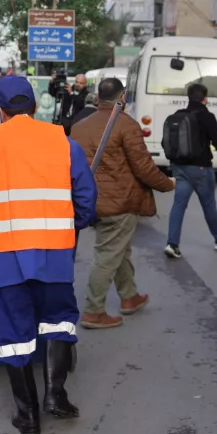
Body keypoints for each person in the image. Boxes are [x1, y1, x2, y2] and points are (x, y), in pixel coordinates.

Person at [0, 76, 97, 434]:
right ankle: (56, 395)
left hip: (4, 256)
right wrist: (71, 227)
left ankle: (29, 415)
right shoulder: (62, 143)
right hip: (54, 254)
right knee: (59, 321)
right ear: (35, 108)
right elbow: (84, 198)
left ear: (1, 112)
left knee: (14, 333)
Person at [71, 78, 176, 329]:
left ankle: (129, 296)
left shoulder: (79, 126)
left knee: (118, 249)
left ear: (97, 97)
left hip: (90, 200)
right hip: (119, 203)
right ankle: (93, 311)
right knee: (107, 254)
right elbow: (144, 167)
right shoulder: (126, 125)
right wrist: (167, 184)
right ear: (122, 98)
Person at [163, 83, 217, 258]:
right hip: (201, 168)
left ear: (188, 98)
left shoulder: (178, 115)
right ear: (205, 99)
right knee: (208, 203)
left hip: (179, 168)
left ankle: (172, 244)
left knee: (178, 205)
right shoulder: (206, 116)